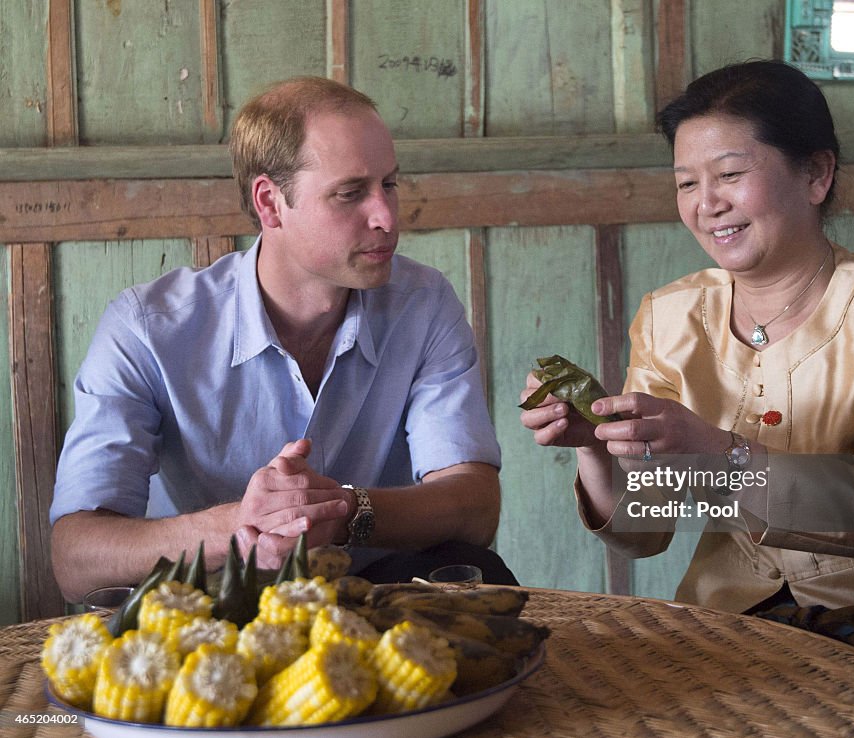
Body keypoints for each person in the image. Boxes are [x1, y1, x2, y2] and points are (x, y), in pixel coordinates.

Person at [520, 60, 854, 720]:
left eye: (730, 175)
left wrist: (720, 453)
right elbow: (644, 528)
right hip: (729, 624)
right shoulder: (670, 315)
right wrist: (593, 448)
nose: (705, 202)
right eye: (687, 182)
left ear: (816, 174)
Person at [51, 76, 515, 603]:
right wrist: (242, 528)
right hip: (208, 613)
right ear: (270, 203)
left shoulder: (424, 303)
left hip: (373, 608)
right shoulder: (147, 328)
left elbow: (475, 508)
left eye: (389, 184)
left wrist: (342, 511)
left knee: (476, 568)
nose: (387, 217)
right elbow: (76, 559)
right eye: (350, 193)